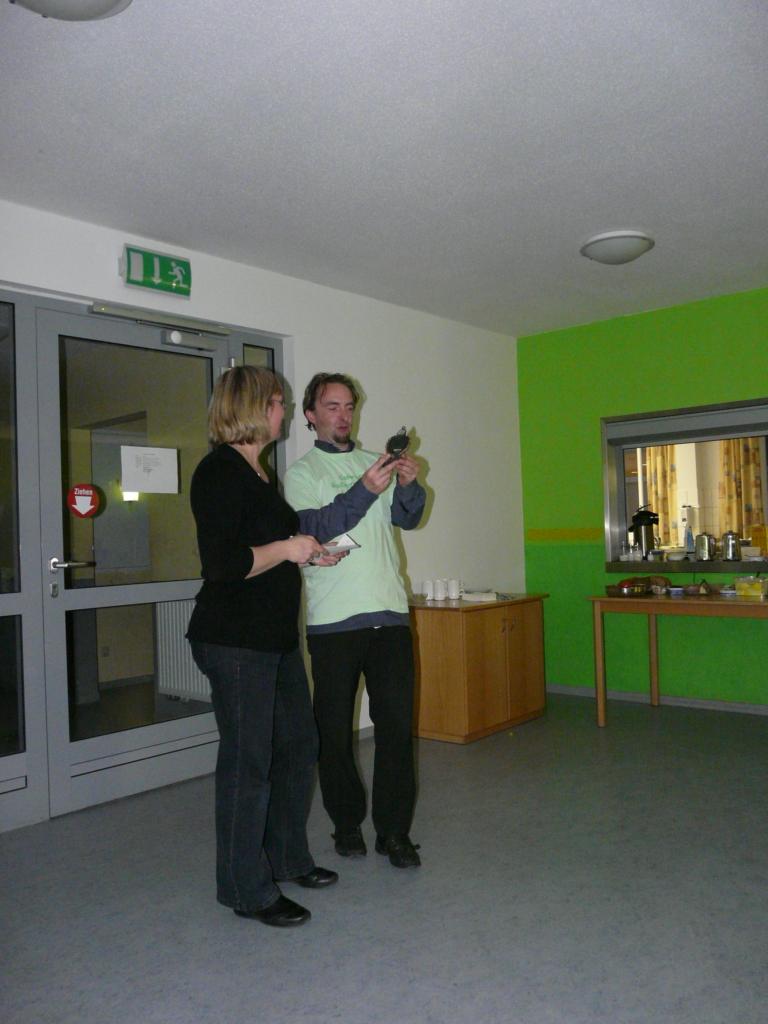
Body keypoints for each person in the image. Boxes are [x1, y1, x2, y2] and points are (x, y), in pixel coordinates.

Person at [186, 365, 344, 928]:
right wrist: (287, 548)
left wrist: (308, 551)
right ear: (253, 407)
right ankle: (245, 889)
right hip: (234, 641)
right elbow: (224, 564)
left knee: (300, 745)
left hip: (273, 641)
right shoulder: (218, 472)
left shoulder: (258, 472)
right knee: (248, 763)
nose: (284, 411)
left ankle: (287, 858)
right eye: (277, 402)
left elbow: (269, 549)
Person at [284, 372, 426, 869]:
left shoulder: (376, 463)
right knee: (334, 731)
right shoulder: (301, 474)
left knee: (396, 729)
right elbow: (315, 528)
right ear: (311, 415)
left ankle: (394, 832)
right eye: (332, 406)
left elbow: (407, 519)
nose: (343, 415)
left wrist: (409, 486)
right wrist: (365, 489)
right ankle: (346, 824)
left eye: (349, 406)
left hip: (389, 615)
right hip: (333, 623)